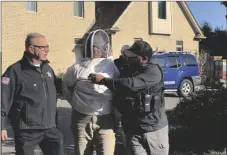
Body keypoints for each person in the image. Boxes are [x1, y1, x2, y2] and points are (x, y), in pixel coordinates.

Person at [89, 40, 169, 155]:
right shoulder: (128, 68)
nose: (128, 58)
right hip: (132, 130)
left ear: (144, 59)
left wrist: (103, 80)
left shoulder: (153, 71)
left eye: (132, 57)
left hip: (153, 130)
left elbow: (130, 85)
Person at [1, 33, 64, 155]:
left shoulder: (47, 69)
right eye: (43, 47)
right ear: (31, 48)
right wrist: (1, 126)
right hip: (27, 130)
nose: (47, 50)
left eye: (48, 46)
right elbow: (3, 99)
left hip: (50, 127)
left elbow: (58, 89)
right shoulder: (15, 71)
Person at [62, 29, 119, 155]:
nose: (95, 50)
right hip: (82, 119)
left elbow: (118, 88)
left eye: (97, 47)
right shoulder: (76, 68)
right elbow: (66, 88)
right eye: (93, 47)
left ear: (103, 48)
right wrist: (77, 104)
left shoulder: (112, 66)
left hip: (106, 119)